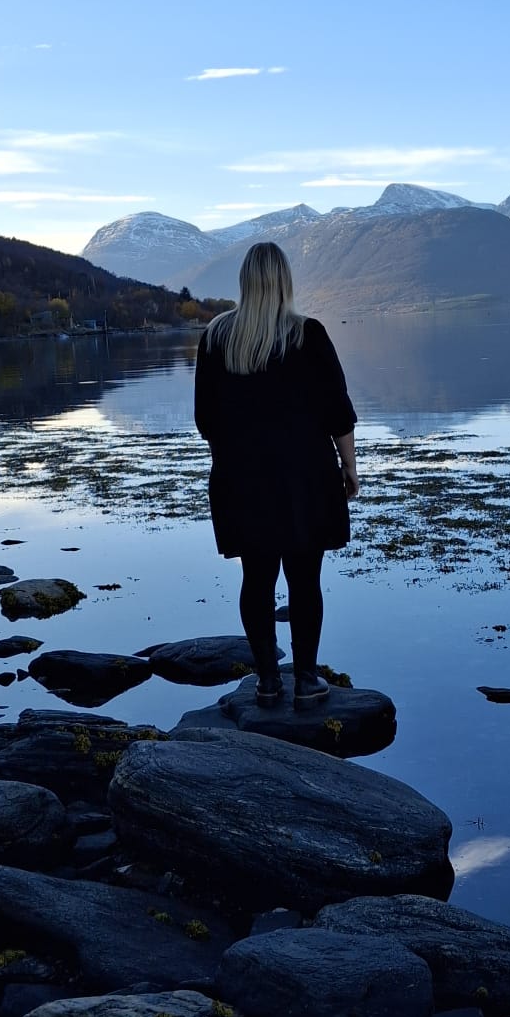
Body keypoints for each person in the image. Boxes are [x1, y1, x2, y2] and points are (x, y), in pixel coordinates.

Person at [193, 241, 358, 708]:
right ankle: (305, 680)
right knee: (305, 581)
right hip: (305, 479)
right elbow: (338, 413)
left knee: (256, 579)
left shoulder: (216, 337)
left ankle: (267, 680)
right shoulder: (309, 334)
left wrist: (236, 458)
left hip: (240, 480)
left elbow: (206, 421)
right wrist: (349, 466)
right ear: (285, 280)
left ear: (244, 281)